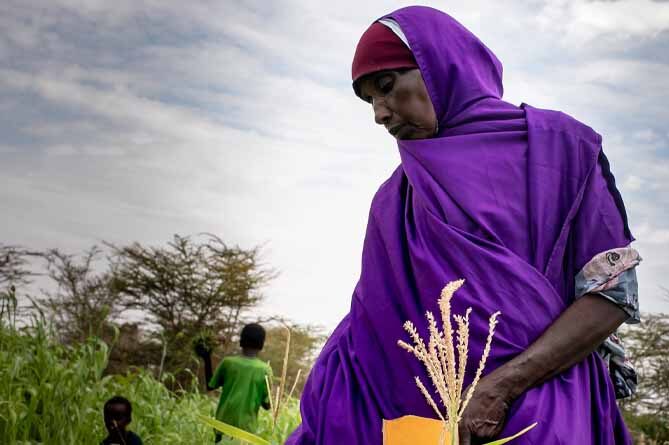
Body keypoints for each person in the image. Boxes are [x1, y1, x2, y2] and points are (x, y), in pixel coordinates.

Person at [287, 6, 642, 445]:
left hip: (543, 405)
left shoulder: (560, 151)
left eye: (387, 85)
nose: (379, 113)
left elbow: (611, 295)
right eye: (369, 101)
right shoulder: (395, 201)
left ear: (441, 67)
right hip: (421, 422)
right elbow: (372, 323)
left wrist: (502, 388)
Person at [195, 323, 272, 443]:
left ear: (241, 341)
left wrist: (207, 358)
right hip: (247, 431)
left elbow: (210, 386)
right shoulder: (265, 370)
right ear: (261, 345)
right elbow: (267, 405)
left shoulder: (228, 363)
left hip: (222, 426)